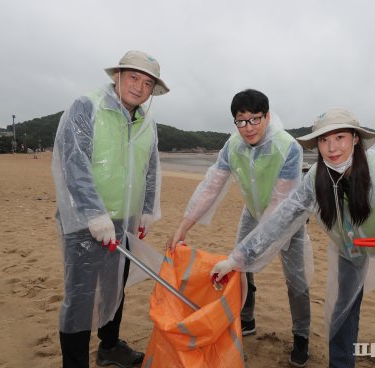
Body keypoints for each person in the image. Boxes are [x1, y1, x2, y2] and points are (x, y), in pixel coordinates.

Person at [211, 108, 375, 368]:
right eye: (323, 140)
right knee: (343, 311)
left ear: (355, 138)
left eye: (339, 137)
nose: (331, 147)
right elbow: (279, 220)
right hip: (349, 248)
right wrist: (236, 259)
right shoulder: (314, 180)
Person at [167, 89, 313, 367]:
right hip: (252, 211)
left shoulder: (288, 147)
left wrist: (239, 255)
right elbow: (211, 186)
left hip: (287, 217)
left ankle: (301, 336)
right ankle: (247, 319)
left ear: (267, 116)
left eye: (255, 119)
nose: (248, 128)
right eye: (241, 121)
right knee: (240, 268)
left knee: (296, 280)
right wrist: (183, 227)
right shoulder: (232, 145)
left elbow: (278, 208)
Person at [52, 50, 169, 368]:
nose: (139, 86)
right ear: (117, 76)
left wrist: (146, 209)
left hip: (125, 221)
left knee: (115, 289)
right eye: (133, 76)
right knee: (81, 296)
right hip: (85, 222)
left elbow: (150, 167)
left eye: (147, 82)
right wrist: (93, 212)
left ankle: (109, 347)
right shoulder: (87, 106)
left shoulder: (146, 122)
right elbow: (72, 161)